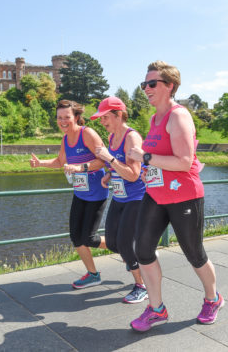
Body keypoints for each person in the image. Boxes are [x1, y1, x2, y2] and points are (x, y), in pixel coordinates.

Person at [128, 61, 223, 332]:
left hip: (184, 196)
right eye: (144, 84)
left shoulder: (178, 116)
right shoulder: (154, 119)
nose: (146, 88)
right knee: (142, 249)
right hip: (156, 194)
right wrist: (147, 169)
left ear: (169, 86)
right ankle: (156, 308)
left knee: (194, 253)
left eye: (152, 83)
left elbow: (184, 161)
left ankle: (213, 299)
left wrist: (145, 156)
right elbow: (158, 157)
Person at [30, 99, 108, 289]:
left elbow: (104, 159)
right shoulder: (66, 139)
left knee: (89, 238)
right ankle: (93, 274)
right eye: (59, 118)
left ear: (76, 117)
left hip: (97, 193)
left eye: (67, 117)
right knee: (76, 237)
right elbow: (60, 161)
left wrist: (80, 168)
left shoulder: (87, 133)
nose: (63, 121)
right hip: (80, 193)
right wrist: (41, 163)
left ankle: (125, 245)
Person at [90, 96, 148, 304]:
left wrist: (109, 159)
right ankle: (140, 259)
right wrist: (109, 174)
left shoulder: (131, 138)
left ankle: (142, 285)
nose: (102, 122)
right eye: (101, 118)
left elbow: (133, 174)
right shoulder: (113, 137)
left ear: (118, 115)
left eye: (105, 117)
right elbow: (118, 168)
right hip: (120, 196)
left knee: (124, 244)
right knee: (113, 242)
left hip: (137, 198)